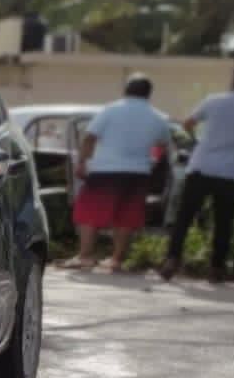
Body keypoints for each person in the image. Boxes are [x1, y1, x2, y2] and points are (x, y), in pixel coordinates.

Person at [162, 66, 234, 283]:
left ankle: (172, 260)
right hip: (230, 173)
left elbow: (187, 123)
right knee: (224, 222)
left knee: (184, 216)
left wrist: (195, 140)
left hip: (201, 166)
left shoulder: (214, 100)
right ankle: (216, 269)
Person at [64, 74, 172, 272]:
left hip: (106, 170)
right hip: (138, 172)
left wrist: (82, 162)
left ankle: (85, 256)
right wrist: (151, 161)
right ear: (149, 94)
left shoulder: (110, 110)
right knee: (126, 216)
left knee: (88, 212)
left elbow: (90, 138)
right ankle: (116, 260)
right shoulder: (159, 117)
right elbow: (162, 146)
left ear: (125, 90)